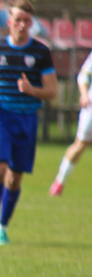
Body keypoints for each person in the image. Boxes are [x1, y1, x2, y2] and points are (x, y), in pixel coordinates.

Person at [0, 0, 57, 245]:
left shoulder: (40, 52)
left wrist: (32, 90)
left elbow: (52, 91)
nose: (22, 25)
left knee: (15, 177)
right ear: (9, 22)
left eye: (27, 21)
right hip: (0, 115)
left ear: (32, 24)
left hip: (27, 118)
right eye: (18, 20)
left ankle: (3, 226)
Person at [50, 50, 92, 196]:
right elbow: (83, 75)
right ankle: (59, 181)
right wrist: (85, 94)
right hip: (91, 107)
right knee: (80, 144)